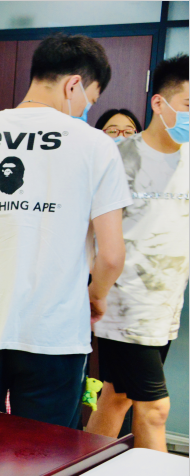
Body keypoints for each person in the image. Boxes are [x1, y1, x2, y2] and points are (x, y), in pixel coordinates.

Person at [0, 33, 132, 429]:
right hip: (55, 331)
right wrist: (96, 296)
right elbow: (111, 256)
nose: (86, 109)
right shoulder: (95, 145)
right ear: (73, 84)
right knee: (46, 453)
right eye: (89, 99)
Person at [88, 54, 189, 451]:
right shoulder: (120, 157)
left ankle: (78, 472)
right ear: (159, 103)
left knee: (117, 396)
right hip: (123, 303)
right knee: (155, 408)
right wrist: (95, 289)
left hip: (166, 304)